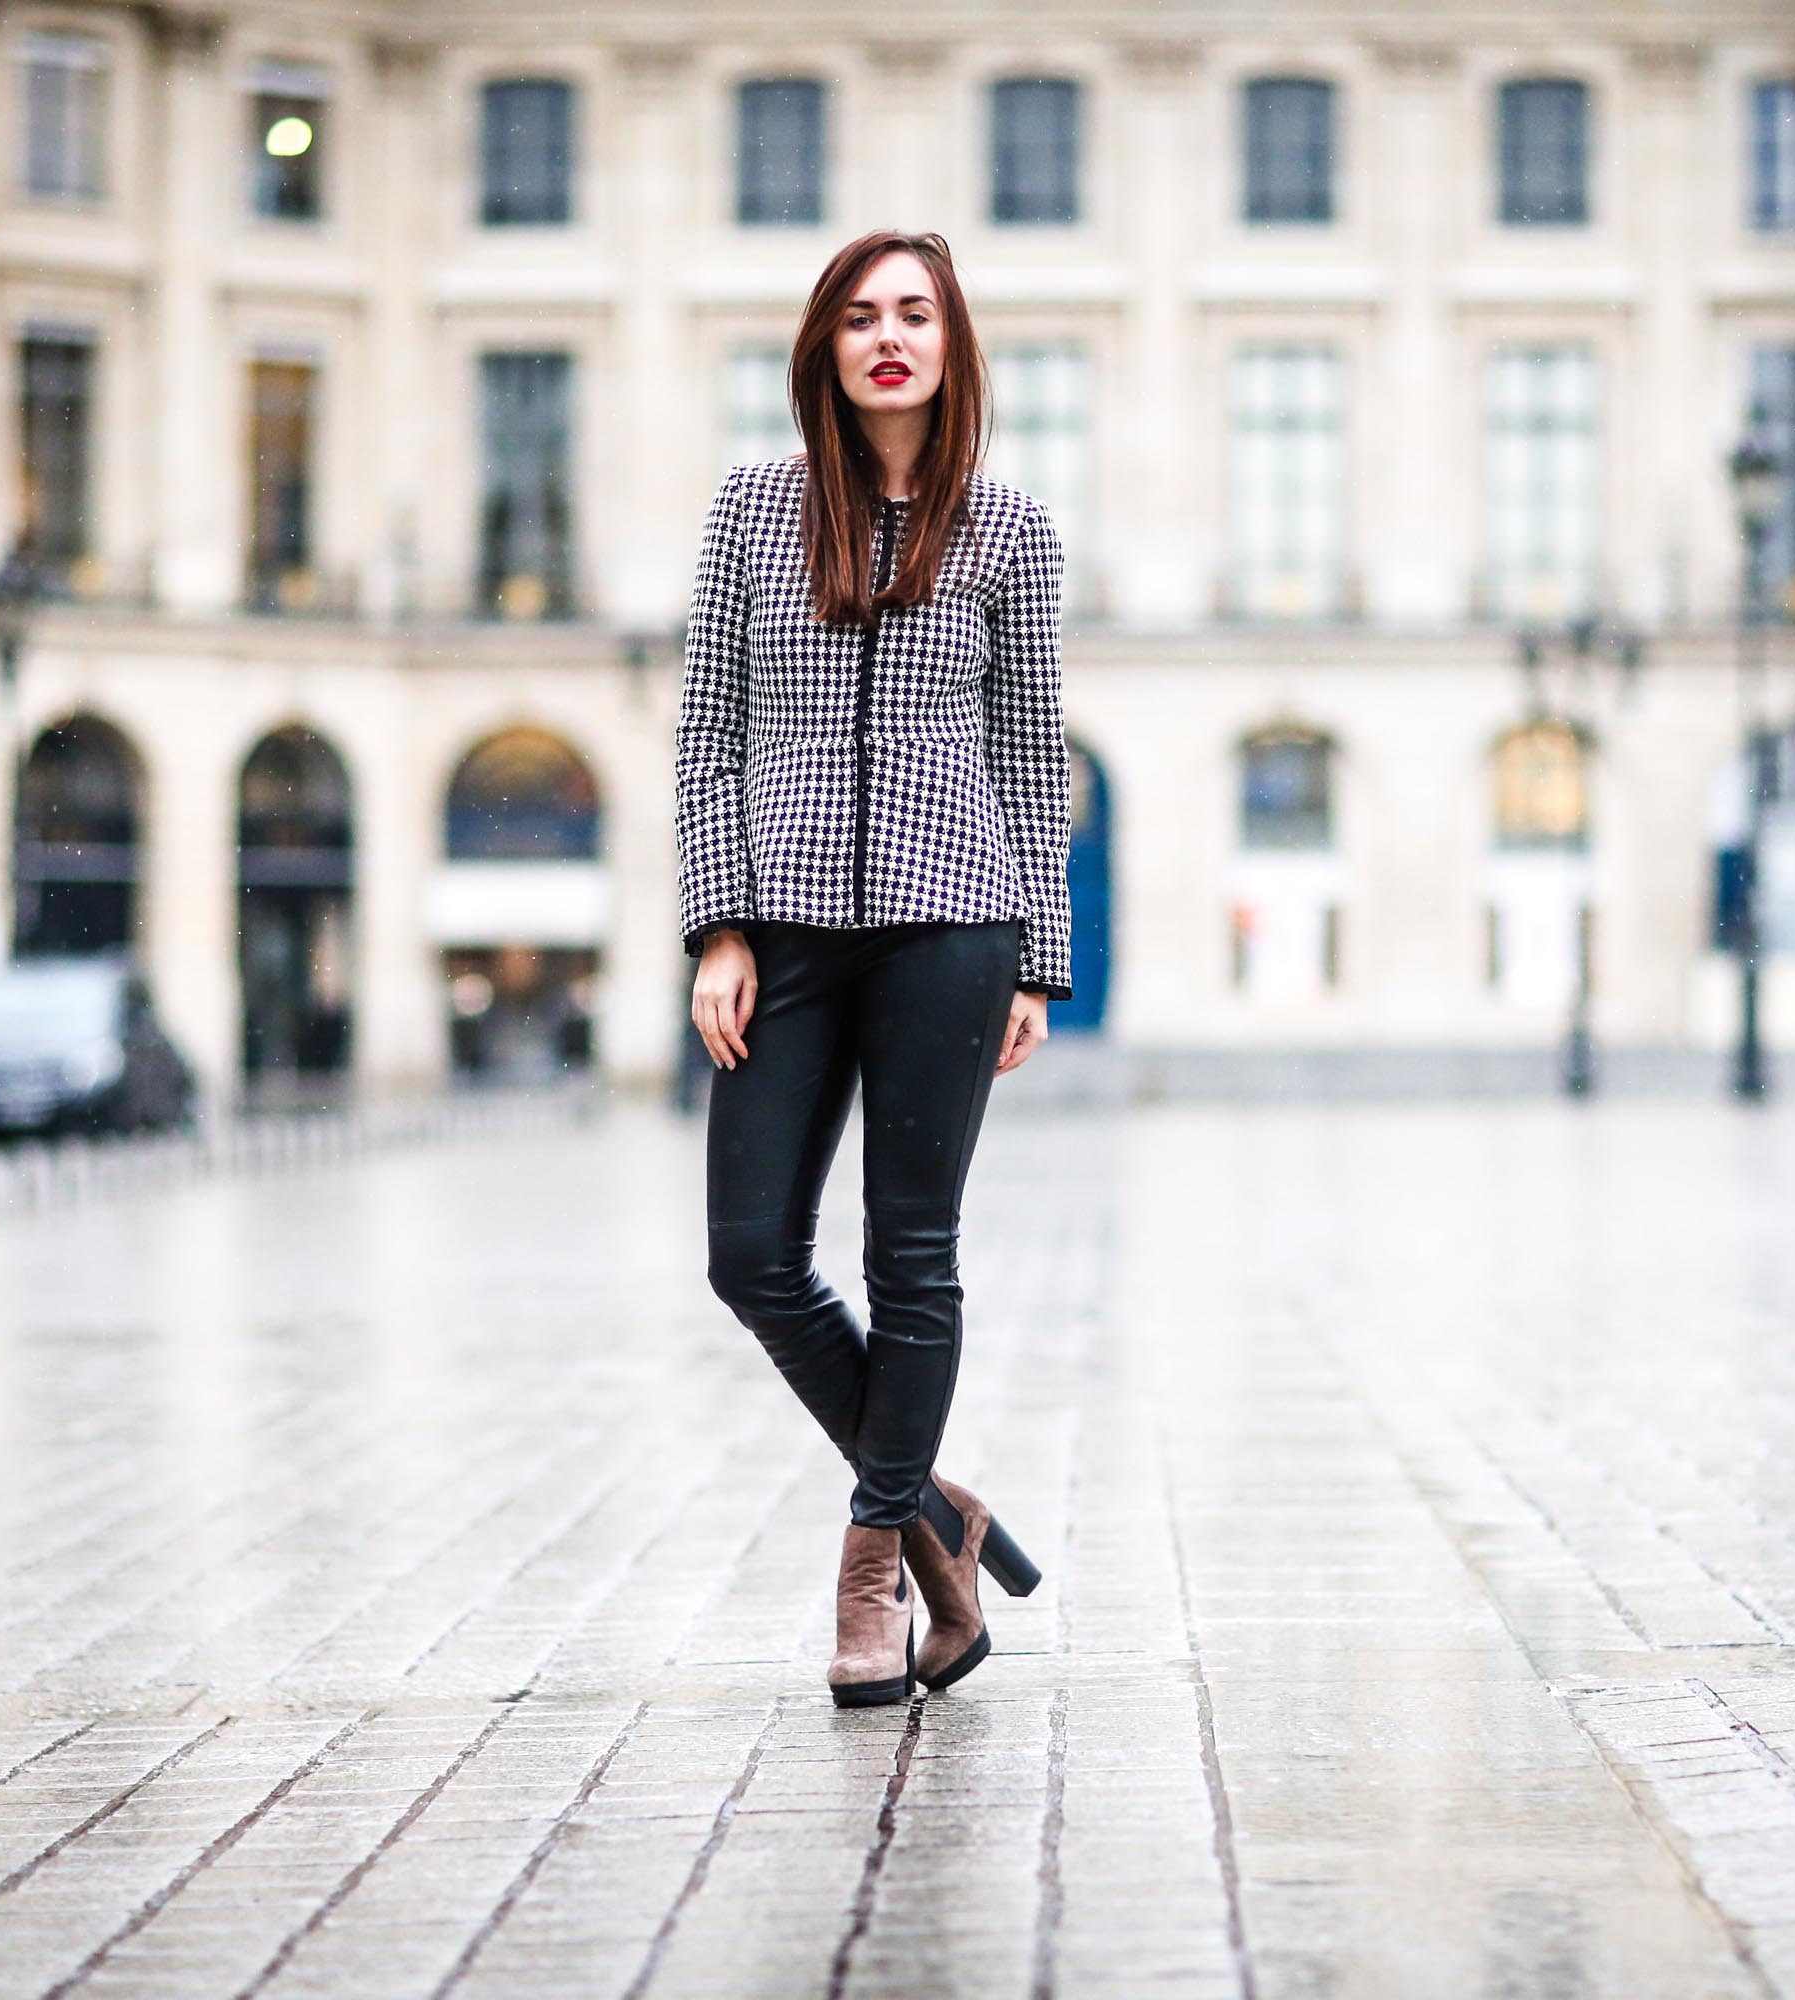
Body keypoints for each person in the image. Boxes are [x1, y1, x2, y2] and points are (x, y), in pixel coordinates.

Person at [676, 230, 1070, 1708]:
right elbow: (706, 728)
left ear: (951, 345)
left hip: (951, 922)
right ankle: (939, 1515)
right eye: (859, 316)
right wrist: (717, 926)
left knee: (913, 1253)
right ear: (823, 349)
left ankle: (870, 1567)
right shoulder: (751, 514)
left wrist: (1039, 958)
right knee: (750, 1254)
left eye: (914, 313)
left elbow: (1034, 757)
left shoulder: (1010, 532)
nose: (887, 336)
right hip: (782, 925)